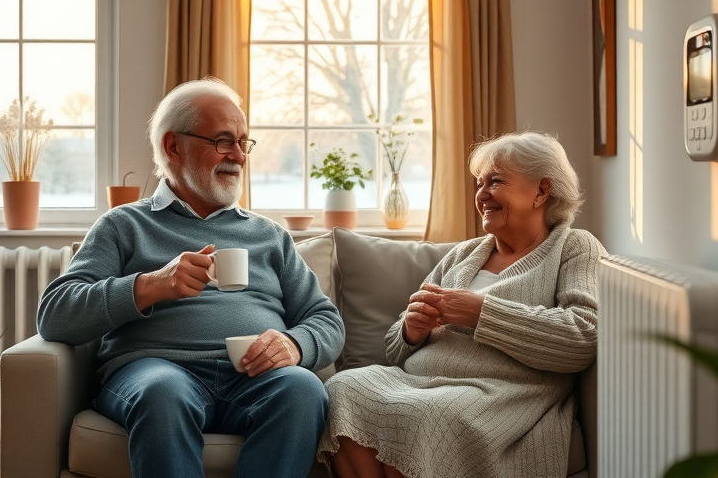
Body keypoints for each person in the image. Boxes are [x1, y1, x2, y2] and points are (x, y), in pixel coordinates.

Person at [37, 77, 345, 478]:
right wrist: (150, 285)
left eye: (243, 142)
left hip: (253, 379)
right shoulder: (123, 225)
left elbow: (326, 320)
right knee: (163, 392)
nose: (239, 155)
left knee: (303, 390)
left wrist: (294, 344)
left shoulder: (269, 236)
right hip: (156, 372)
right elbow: (55, 314)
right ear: (173, 146)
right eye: (223, 141)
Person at [318, 131, 605, 478]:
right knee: (342, 388)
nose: (481, 195)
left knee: (425, 417)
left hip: (500, 393)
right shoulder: (464, 254)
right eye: (479, 184)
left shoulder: (574, 247)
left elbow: (582, 335)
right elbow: (395, 348)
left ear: (541, 191)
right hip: (420, 383)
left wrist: (478, 312)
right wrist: (412, 330)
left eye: (495, 182)